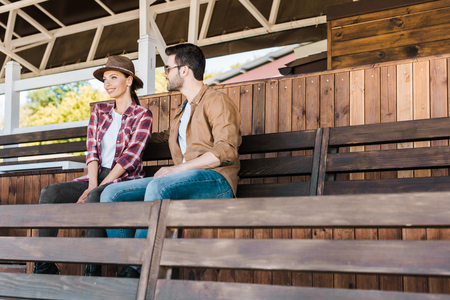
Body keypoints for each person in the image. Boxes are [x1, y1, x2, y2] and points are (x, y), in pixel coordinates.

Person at [100, 43, 242, 278]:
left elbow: (226, 150)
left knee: (159, 184)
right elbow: (159, 138)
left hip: (217, 181)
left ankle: (135, 270)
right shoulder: (182, 110)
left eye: (168, 69)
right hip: (181, 179)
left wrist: (179, 168)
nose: (165, 74)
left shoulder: (217, 101)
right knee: (110, 194)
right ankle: (132, 264)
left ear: (184, 70)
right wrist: (127, 127)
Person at [32, 55, 153, 276]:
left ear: (129, 80)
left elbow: (131, 158)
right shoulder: (99, 112)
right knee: (50, 193)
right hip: (94, 176)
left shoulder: (142, 115)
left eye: (114, 77)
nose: (107, 83)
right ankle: (44, 266)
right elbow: (92, 152)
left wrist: (96, 189)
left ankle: (92, 274)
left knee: (97, 197)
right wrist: (92, 184)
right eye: (105, 79)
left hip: (123, 178)